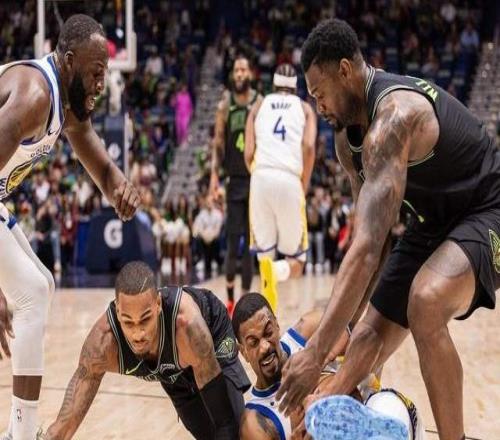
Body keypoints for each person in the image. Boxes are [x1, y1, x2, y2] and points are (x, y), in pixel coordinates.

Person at [276, 19, 500, 440]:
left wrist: (315, 351)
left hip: (488, 208)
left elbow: (363, 250)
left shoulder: (394, 117)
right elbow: (374, 244)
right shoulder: (347, 142)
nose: (318, 105)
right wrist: (345, 333)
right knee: (364, 338)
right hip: (430, 223)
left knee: (425, 302)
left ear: (345, 71)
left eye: (319, 93)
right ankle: (322, 411)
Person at [0, 14, 140, 440]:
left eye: (105, 73)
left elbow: (99, 162)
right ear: (68, 61)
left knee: (40, 285)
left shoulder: (67, 106)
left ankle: (18, 431)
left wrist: (119, 187)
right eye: (96, 73)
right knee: (28, 293)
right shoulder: (35, 97)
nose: (102, 83)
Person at [40, 261, 250, 440]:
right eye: (128, 322)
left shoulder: (186, 326)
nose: (138, 333)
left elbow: (224, 422)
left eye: (145, 319)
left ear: (158, 304)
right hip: (173, 370)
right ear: (117, 310)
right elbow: (62, 427)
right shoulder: (103, 344)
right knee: (207, 434)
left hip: (211, 337)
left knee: (237, 430)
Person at [232, 293, 425, 440]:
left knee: (387, 404)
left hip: (378, 409)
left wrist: (321, 368)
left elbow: (367, 341)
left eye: (268, 333)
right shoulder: (254, 421)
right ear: (243, 352)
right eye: (253, 343)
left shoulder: (308, 330)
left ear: (276, 323)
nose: (265, 346)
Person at [244, 64, 317, 311]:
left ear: (273, 85)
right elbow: (309, 147)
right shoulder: (305, 109)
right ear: (295, 87)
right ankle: (276, 271)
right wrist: (303, 184)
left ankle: (268, 312)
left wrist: (258, 176)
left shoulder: (258, 106)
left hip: (260, 176)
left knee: (264, 253)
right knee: (296, 262)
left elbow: (249, 152)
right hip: (289, 178)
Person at [210, 55, 262, 314]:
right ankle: (230, 298)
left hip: (255, 180)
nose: (240, 73)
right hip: (233, 181)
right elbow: (218, 144)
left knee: (251, 244)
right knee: (233, 242)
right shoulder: (225, 104)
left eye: (244, 69)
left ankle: (246, 298)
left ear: (250, 73)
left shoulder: (259, 102)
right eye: (236, 70)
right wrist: (213, 177)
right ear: (233, 75)